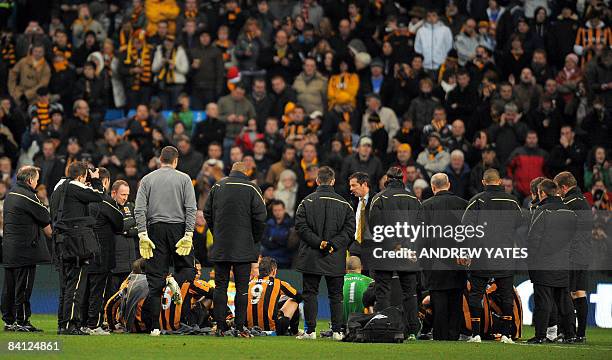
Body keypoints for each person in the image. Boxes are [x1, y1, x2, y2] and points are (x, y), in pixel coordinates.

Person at [134, 146, 197, 336]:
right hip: (178, 229)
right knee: (188, 270)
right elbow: (191, 209)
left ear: (159, 159)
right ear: (176, 160)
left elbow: (139, 209)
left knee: (154, 282)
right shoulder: (184, 179)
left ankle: (154, 327)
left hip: (154, 230)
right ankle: (176, 297)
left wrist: (142, 233)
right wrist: (188, 233)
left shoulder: (147, 179)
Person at [203, 161, 267, 337]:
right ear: (246, 172)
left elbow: (207, 212)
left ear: (231, 171)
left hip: (222, 245)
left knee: (220, 287)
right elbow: (261, 217)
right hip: (244, 246)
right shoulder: (252, 189)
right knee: (241, 288)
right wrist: (254, 238)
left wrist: (217, 232)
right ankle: (239, 327)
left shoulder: (218, 186)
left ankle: (221, 327)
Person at [461, 168, 522, 344]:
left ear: (483, 182)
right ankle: (506, 335)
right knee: (506, 295)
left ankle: (476, 334)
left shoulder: (477, 200)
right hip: (505, 253)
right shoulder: (512, 200)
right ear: (500, 181)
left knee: (476, 294)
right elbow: (519, 222)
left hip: (482, 253)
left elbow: (466, 227)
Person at [294, 166, 355, 340]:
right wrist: (333, 244)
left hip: (311, 255)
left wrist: (318, 242)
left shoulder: (306, 202)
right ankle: (337, 332)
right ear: (333, 181)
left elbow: (301, 227)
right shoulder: (345, 204)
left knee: (310, 293)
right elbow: (350, 230)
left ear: (317, 180)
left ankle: (310, 331)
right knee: (336, 295)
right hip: (334, 256)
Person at [367, 166, 421, 340]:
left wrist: (394, 245)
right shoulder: (413, 198)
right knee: (410, 293)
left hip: (385, 252)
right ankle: (412, 331)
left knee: (383, 292)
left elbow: (376, 228)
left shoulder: (379, 198)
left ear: (387, 179)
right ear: (402, 179)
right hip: (409, 252)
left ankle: (382, 327)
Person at [50, 161, 105, 335]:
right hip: (76, 243)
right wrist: (96, 180)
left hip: (60, 241)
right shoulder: (76, 187)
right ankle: (70, 325)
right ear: (81, 176)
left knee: (65, 285)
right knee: (76, 284)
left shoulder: (58, 187)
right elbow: (99, 195)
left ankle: (62, 323)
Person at [527, 179, 577, 344]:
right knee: (564, 300)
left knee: (544, 300)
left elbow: (533, 239)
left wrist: (532, 262)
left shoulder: (542, 211)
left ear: (542, 193)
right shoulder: (570, 212)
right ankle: (570, 334)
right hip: (563, 262)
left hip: (544, 262)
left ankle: (541, 335)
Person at [1, 166, 52, 332]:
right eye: (36, 179)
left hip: (9, 249)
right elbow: (45, 216)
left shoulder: (10, 194)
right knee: (23, 287)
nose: (37, 183)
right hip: (25, 250)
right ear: (30, 180)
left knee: (9, 287)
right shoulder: (28, 196)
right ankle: (22, 321)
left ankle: (9, 320)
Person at [419, 173, 467, 340]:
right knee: (456, 301)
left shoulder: (426, 206)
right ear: (449, 184)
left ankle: (440, 335)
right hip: (458, 261)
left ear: (433, 187)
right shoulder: (463, 204)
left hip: (435, 262)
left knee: (438, 301)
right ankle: (454, 334)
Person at [81, 168, 123, 334]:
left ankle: (83, 323)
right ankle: (94, 324)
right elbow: (119, 223)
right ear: (105, 182)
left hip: (83, 250)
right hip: (101, 253)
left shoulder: (81, 199)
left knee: (84, 290)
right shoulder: (104, 201)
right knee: (98, 291)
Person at [554, 171, 592, 343]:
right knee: (579, 292)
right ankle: (581, 334)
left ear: (564, 187)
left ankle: (566, 332)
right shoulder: (584, 201)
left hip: (571, 253)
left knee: (566, 293)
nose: (558, 194)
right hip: (584, 252)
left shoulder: (568, 203)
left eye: (558, 190)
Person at [246, 257, 302, 335]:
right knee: (293, 301)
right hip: (272, 328)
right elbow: (299, 297)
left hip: (249, 328)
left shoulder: (249, 283)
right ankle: (295, 332)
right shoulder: (278, 283)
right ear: (273, 270)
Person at [109, 180, 137, 295]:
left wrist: (126, 231)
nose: (125, 198)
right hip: (115, 264)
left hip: (130, 262)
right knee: (113, 297)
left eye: (127, 195)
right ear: (113, 193)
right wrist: (128, 224)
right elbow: (118, 226)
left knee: (128, 297)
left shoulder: (130, 207)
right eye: (123, 195)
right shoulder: (109, 207)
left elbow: (139, 227)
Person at [347, 172, 372, 273]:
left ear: (364, 184)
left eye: (354, 185)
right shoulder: (351, 201)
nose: (351, 189)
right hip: (355, 248)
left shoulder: (377, 200)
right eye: (350, 186)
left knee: (371, 282)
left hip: (372, 249)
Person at [342, 256, 373, 323]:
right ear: (361, 267)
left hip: (342, 322)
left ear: (346, 268)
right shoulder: (370, 281)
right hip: (362, 322)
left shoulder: (340, 280)